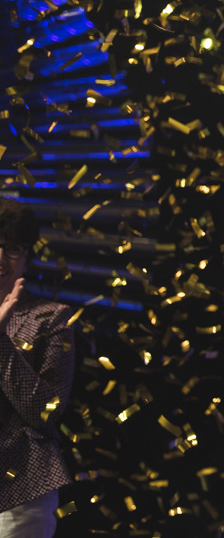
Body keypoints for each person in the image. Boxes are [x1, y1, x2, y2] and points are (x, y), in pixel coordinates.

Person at [0, 198, 75, 537]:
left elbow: (46, 412)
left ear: (27, 257)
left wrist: (1, 343)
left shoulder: (51, 317)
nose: (0, 259)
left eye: (12, 248)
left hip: (19, 493)